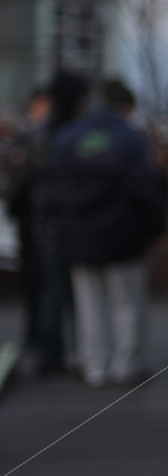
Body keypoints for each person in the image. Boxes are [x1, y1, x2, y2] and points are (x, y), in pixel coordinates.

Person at [35, 79, 167, 386]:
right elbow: (148, 190)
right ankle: (127, 364)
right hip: (123, 235)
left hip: (77, 235)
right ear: (124, 107)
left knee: (87, 305)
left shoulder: (67, 137)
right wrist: (155, 228)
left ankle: (94, 366)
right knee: (127, 303)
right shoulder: (131, 139)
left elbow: (49, 187)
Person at [32, 72, 89, 374]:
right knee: (65, 293)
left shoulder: (47, 131)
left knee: (53, 292)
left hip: (49, 222)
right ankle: (67, 356)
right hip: (65, 221)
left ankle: (50, 356)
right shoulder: (68, 134)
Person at [5, 90, 52, 354]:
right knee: (33, 278)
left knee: (45, 280)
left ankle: (42, 335)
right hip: (28, 218)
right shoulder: (24, 137)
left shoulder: (48, 135)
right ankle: (35, 334)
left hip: (42, 219)